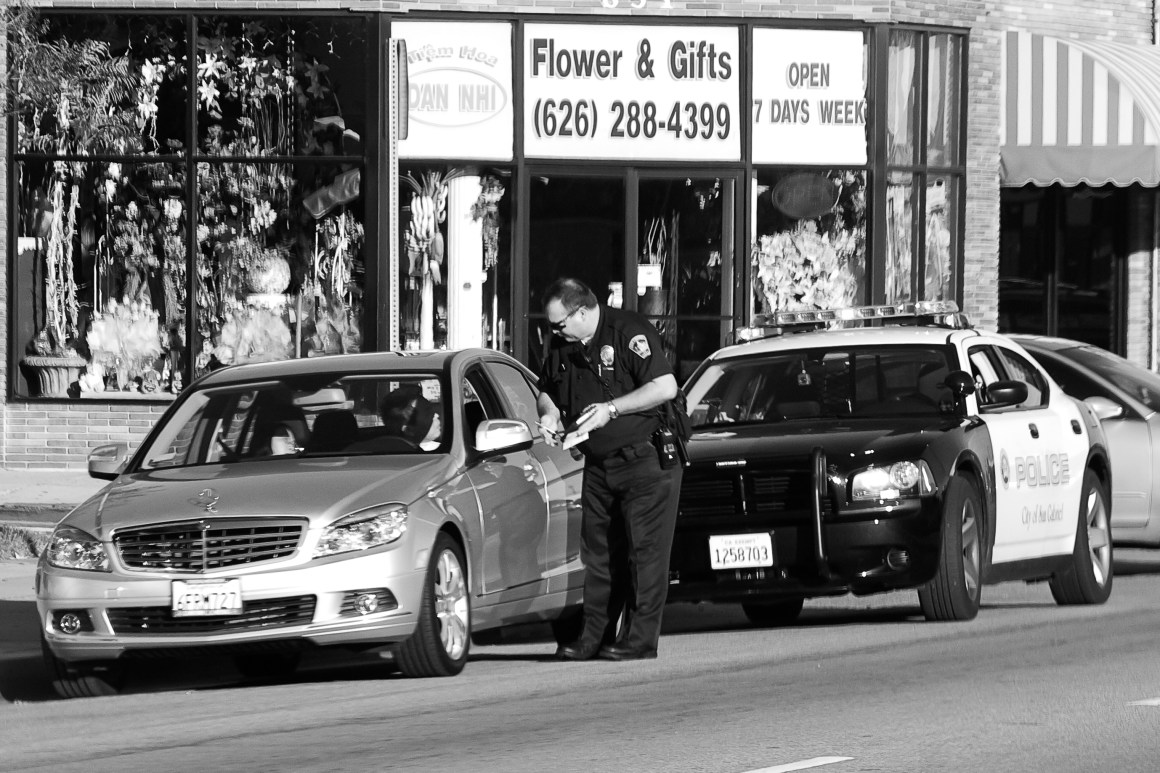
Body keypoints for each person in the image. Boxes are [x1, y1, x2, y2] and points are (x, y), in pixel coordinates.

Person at [536, 277, 683, 661]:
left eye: (560, 324)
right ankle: (593, 638)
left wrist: (612, 409)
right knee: (598, 555)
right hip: (599, 464)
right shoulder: (561, 344)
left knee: (644, 554)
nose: (555, 332)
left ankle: (639, 639)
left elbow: (665, 386)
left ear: (582, 312)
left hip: (645, 460)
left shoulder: (628, 332)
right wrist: (549, 413)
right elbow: (546, 387)